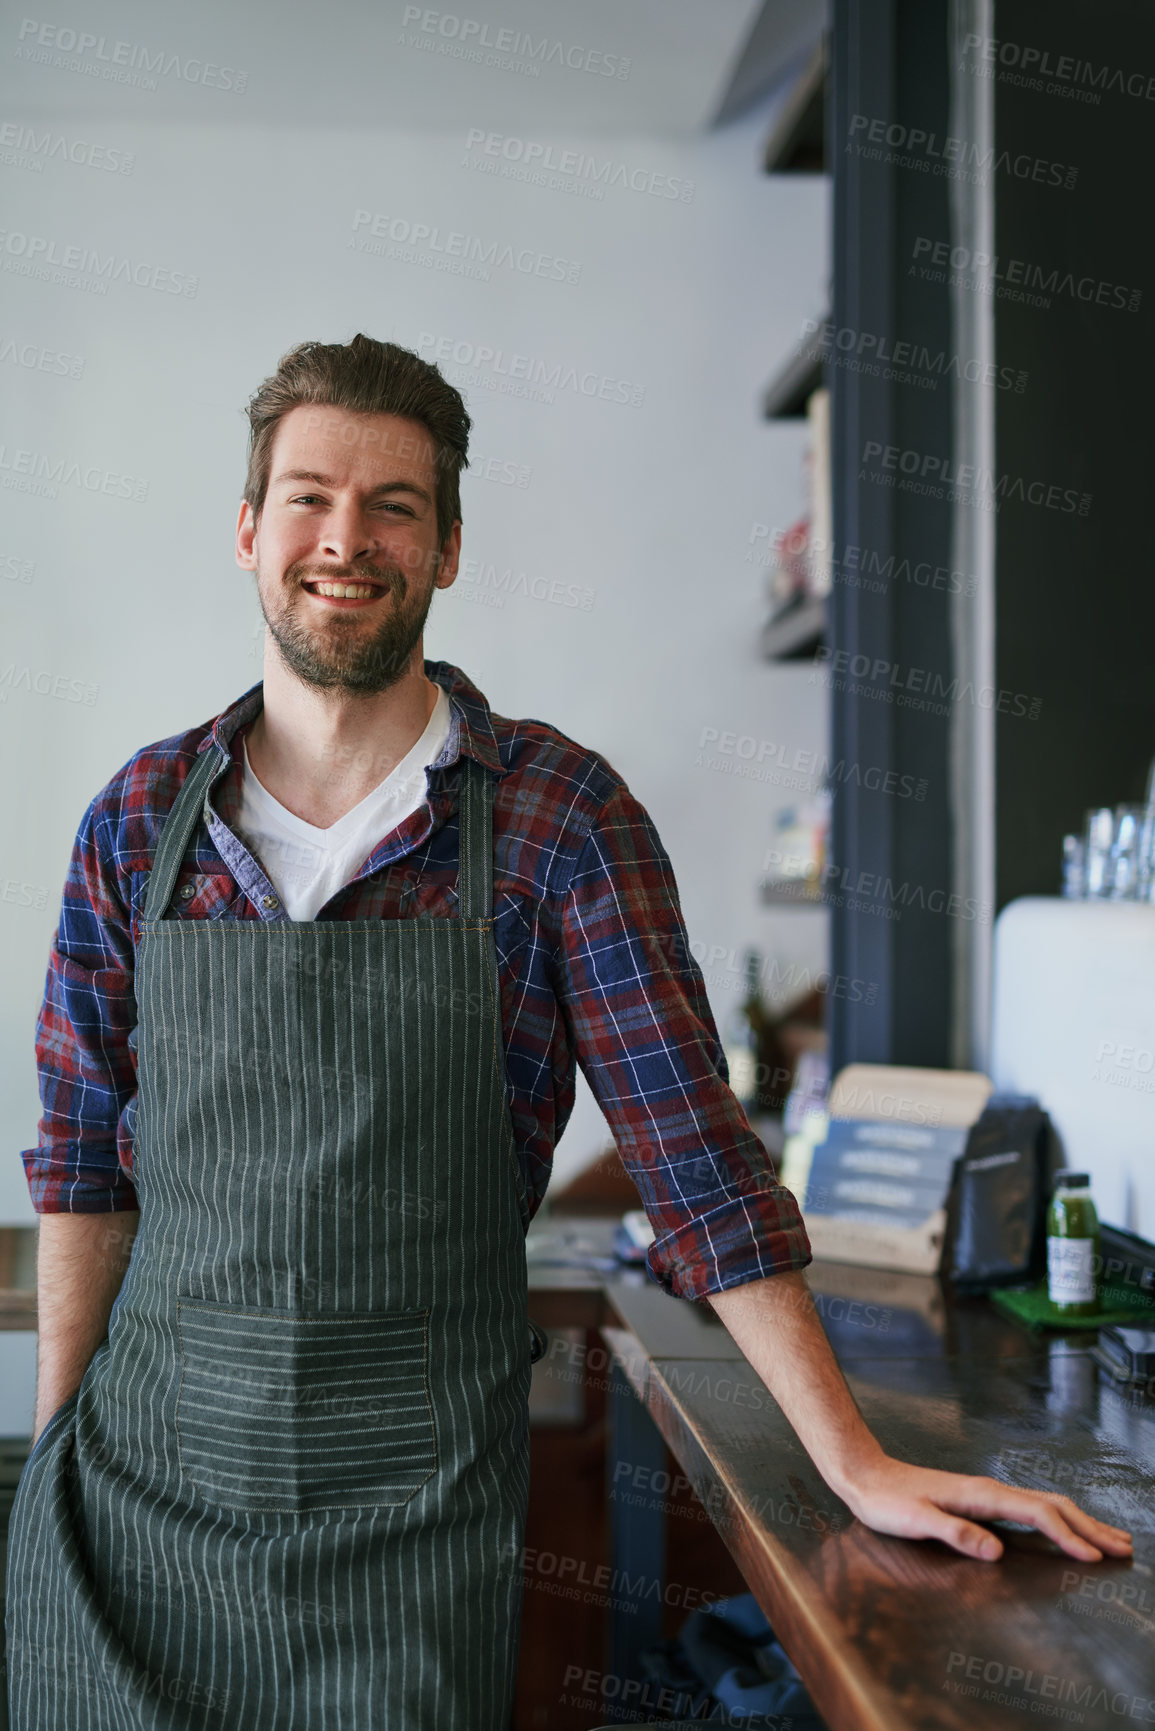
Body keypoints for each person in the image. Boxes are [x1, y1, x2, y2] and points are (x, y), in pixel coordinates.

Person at [5, 334, 1131, 1731]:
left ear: (449, 548)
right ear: (248, 530)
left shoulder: (559, 820)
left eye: (393, 506)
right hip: (137, 1509)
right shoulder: (141, 819)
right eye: (307, 496)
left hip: (404, 1535)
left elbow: (697, 1162)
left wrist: (852, 1461)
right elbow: (78, 1163)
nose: (344, 538)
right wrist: (58, 1438)